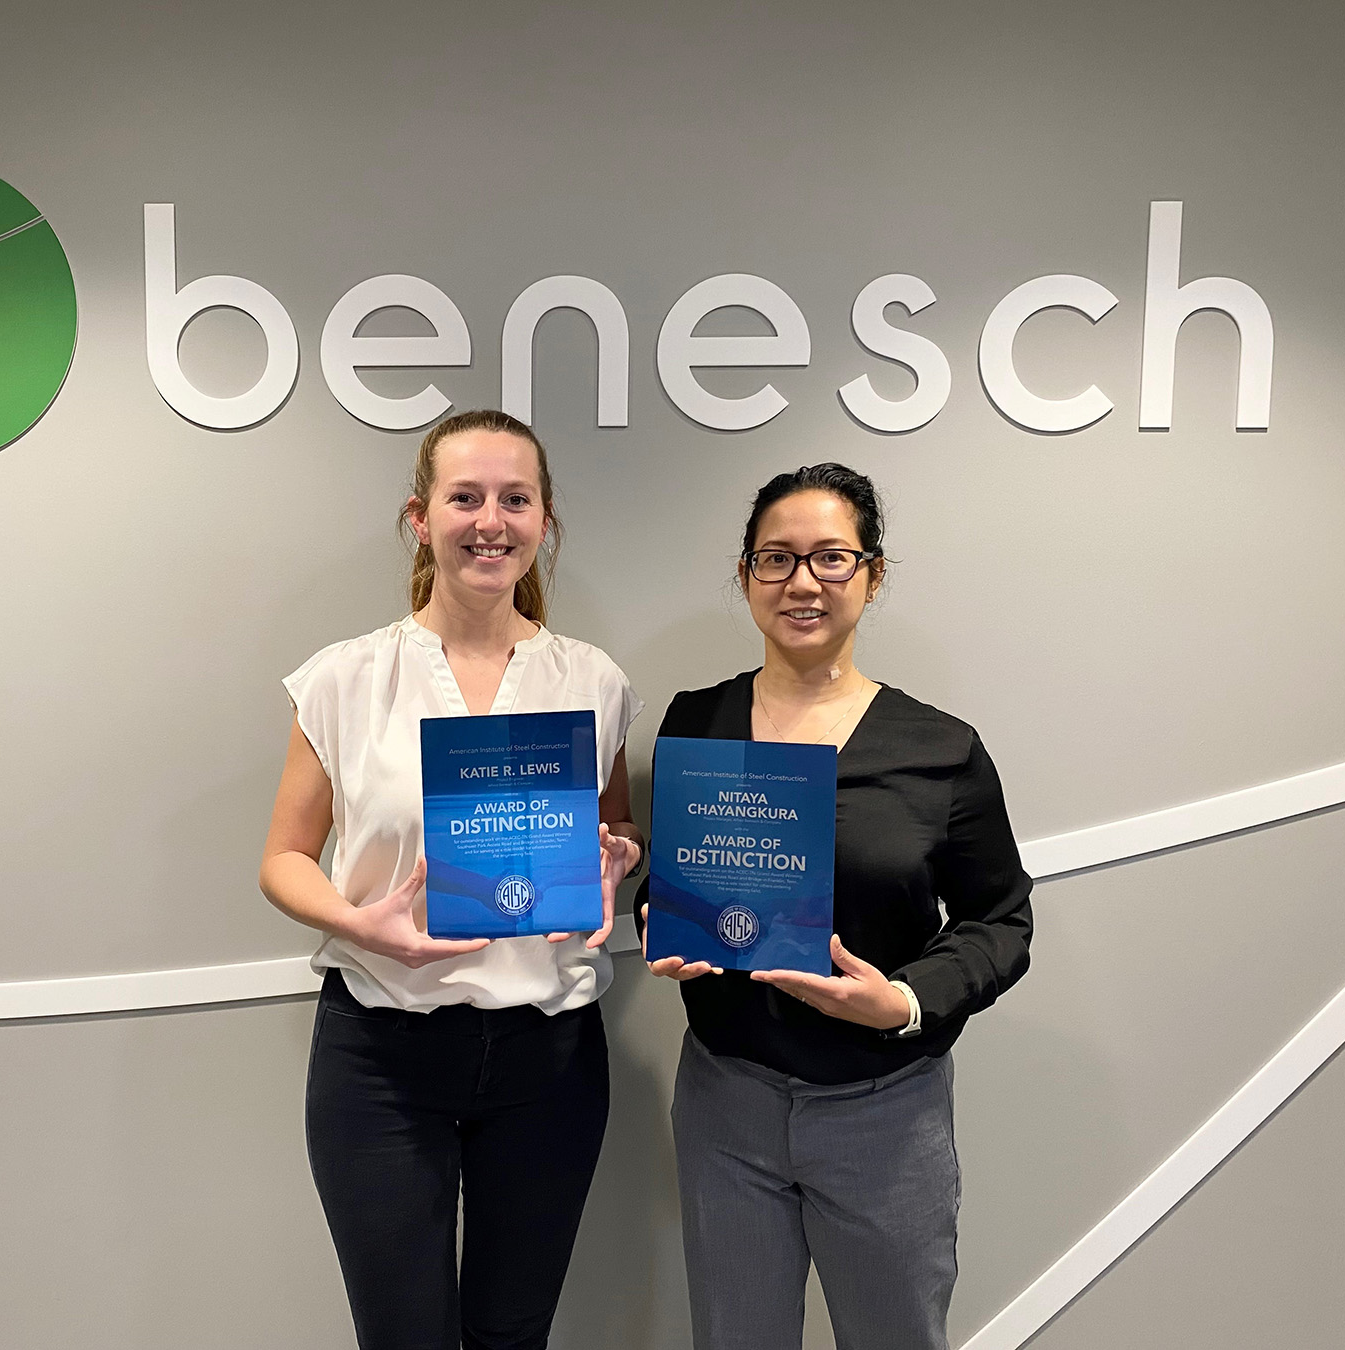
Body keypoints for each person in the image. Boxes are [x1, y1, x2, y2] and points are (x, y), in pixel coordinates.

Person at [260, 409, 644, 1350]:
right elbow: (280, 859)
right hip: (383, 1060)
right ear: (419, 517)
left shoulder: (592, 682)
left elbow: (614, 828)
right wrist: (360, 923)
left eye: (515, 499)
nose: (491, 520)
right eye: (464, 497)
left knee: (513, 1335)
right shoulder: (345, 679)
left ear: (544, 521)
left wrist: (617, 860)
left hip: (548, 1059)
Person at [637, 463, 1032, 1350]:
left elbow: (1001, 921)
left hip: (883, 1112)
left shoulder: (939, 749)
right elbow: (669, 880)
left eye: (831, 559)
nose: (802, 583)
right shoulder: (696, 722)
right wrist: (656, 925)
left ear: (873, 575)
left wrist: (902, 1001)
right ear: (745, 577)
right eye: (775, 559)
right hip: (725, 1103)